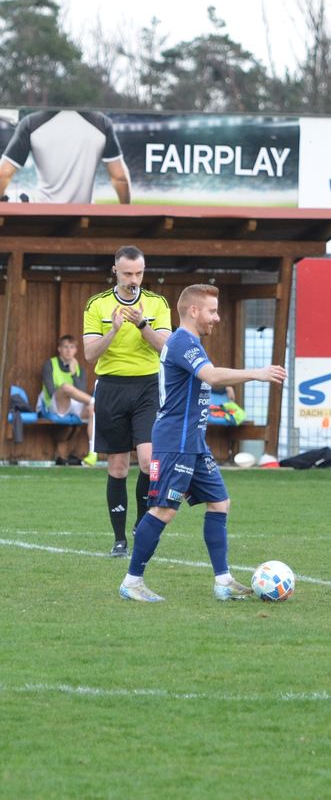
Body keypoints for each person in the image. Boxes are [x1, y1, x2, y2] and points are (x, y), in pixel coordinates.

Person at [119, 283, 287, 602]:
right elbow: (211, 376)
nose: (218, 317)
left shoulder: (188, 341)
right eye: (212, 310)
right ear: (194, 311)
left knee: (220, 502)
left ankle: (223, 581)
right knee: (163, 510)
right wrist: (257, 373)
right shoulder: (184, 341)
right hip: (175, 443)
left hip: (194, 442)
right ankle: (132, 581)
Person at [83, 245, 172, 557]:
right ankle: (119, 539)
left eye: (139, 273)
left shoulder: (157, 304)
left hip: (146, 388)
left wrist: (142, 325)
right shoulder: (97, 305)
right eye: (127, 273)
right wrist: (114, 331)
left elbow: (165, 348)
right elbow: (90, 354)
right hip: (110, 388)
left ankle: (141, 524)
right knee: (118, 467)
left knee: (149, 461)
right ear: (115, 271)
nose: (133, 279)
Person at [0, 109, 131, 204]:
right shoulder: (101, 123)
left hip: (43, 215)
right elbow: (120, 178)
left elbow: (3, 173)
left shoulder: (31, 123)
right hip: (84, 214)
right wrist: (126, 212)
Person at [40, 334, 97, 466]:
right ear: (59, 349)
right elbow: (51, 391)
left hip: (75, 406)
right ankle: (95, 401)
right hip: (55, 405)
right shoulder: (49, 365)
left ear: (76, 350)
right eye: (65, 347)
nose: (68, 350)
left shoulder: (79, 369)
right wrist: (69, 390)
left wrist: (73, 374)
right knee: (66, 387)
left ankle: (93, 454)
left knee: (91, 409)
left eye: (72, 347)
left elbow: (81, 393)